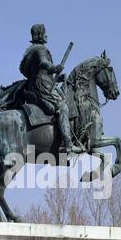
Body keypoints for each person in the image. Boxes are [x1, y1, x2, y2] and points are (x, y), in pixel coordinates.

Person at [20, 24, 82, 154]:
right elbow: (43, 63)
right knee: (63, 106)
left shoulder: (30, 51)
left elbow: (32, 70)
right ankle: (68, 144)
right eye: (45, 33)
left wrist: (56, 78)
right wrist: (54, 68)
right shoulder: (40, 49)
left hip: (36, 85)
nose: (47, 35)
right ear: (40, 35)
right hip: (42, 87)